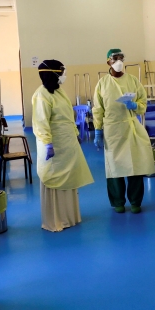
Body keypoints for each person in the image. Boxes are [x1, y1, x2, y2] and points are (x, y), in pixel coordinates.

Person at [31, 59, 94, 232]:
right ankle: (56, 220)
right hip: (53, 144)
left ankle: (69, 217)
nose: (64, 75)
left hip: (67, 143)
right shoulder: (41, 95)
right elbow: (40, 122)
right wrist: (48, 143)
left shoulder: (59, 91)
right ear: (53, 73)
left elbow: (68, 115)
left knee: (68, 180)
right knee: (54, 179)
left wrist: (75, 133)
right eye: (62, 71)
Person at [92, 49, 155, 213]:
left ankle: (135, 201)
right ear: (108, 62)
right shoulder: (102, 84)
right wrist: (98, 130)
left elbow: (143, 102)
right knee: (114, 167)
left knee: (135, 165)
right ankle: (117, 202)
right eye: (115, 58)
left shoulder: (133, 81)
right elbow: (98, 109)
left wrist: (136, 106)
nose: (119, 61)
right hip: (112, 129)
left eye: (121, 58)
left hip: (130, 126)